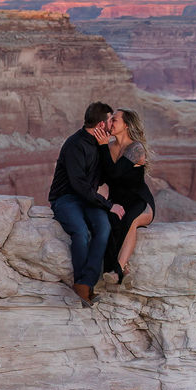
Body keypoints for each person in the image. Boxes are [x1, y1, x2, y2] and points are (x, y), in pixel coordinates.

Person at [49, 101, 123, 306]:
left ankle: (86, 284)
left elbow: (103, 179)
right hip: (66, 198)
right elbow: (79, 185)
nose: (111, 125)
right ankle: (82, 287)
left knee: (104, 227)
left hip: (87, 198)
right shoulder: (75, 144)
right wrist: (108, 205)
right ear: (101, 125)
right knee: (81, 232)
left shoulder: (99, 145)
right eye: (110, 121)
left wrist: (102, 150)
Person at [103, 108, 156, 282]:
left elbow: (115, 173)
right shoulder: (109, 146)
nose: (110, 122)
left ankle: (116, 271)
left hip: (140, 201)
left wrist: (102, 147)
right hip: (118, 202)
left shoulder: (136, 148)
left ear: (126, 125)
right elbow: (101, 177)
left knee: (129, 221)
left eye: (114, 120)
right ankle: (124, 270)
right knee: (108, 222)